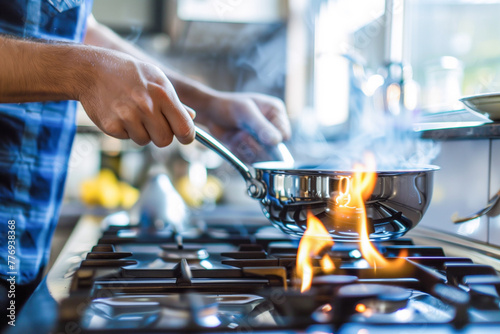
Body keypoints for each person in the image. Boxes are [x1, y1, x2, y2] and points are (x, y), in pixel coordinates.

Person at [0, 0, 291, 327]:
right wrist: (84, 71)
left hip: (21, 251)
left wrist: (206, 104)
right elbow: (80, 54)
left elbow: (74, 29)